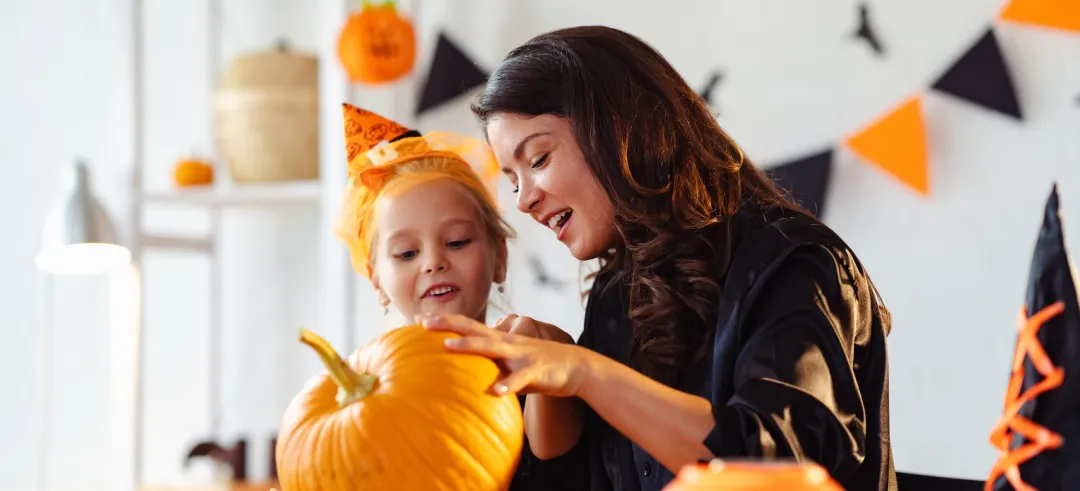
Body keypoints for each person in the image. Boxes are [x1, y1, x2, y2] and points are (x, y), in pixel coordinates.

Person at [419, 26, 897, 491]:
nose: (524, 200)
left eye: (538, 159)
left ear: (618, 128)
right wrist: (552, 380)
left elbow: (778, 468)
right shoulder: (615, 295)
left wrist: (584, 372)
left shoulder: (794, 262)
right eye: (513, 180)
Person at [334, 102, 513, 325]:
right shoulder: (366, 355)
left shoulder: (539, 346)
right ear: (376, 281)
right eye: (407, 253)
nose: (433, 262)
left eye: (457, 242)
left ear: (500, 257)